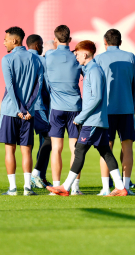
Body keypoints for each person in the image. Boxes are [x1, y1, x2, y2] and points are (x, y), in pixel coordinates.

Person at [47, 40, 127, 197]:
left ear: (85, 54)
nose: (76, 58)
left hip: (92, 121)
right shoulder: (90, 69)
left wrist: (81, 117)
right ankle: (120, 187)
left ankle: (66, 187)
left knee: (79, 151)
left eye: (77, 55)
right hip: (97, 121)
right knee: (106, 152)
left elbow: (96, 98)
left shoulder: (94, 71)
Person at [0, 27, 43, 196]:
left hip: (11, 111)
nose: (4, 42)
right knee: (27, 150)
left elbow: (10, 87)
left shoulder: (7, 59)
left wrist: (19, 108)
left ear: (15, 41)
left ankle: (12, 188)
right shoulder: (36, 59)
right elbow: (38, 86)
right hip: (29, 113)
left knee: (10, 150)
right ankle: (27, 188)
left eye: (6, 39)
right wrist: (28, 108)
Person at [93, 29, 135, 195]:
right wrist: (133, 101)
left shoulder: (99, 58)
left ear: (105, 41)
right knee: (127, 148)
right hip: (126, 108)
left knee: (106, 148)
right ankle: (125, 186)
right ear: (120, 41)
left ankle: (106, 188)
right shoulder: (130, 57)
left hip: (106, 110)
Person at [45, 25, 83, 194]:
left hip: (56, 107)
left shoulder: (49, 56)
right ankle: (74, 187)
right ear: (70, 39)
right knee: (75, 148)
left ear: (55, 38)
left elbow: (45, 81)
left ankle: (56, 185)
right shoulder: (76, 57)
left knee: (56, 148)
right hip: (75, 107)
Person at [26, 34, 53, 189]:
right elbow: (47, 85)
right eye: (41, 45)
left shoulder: (18, 59)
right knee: (48, 139)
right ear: (37, 45)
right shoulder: (42, 61)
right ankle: (38, 175)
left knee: (24, 144)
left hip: (20, 109)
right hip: (38, 107)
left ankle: (26, 179)